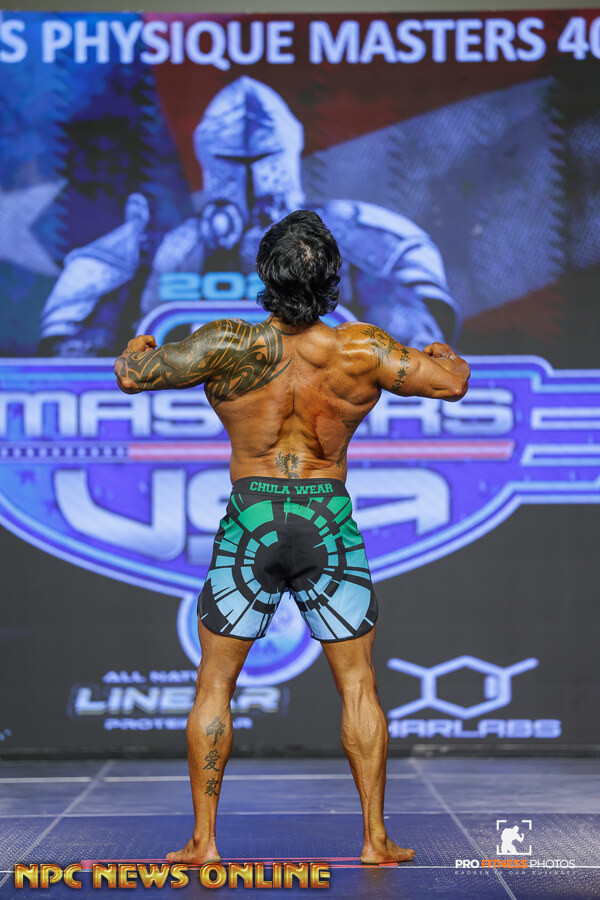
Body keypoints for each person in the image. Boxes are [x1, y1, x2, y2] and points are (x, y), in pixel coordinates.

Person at [114, 209, 470, 866]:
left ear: (264, 274)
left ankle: (204, 842)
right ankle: (374, 840)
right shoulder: (361, 349)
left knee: (214, 684)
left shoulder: (226, 343)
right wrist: (443, 353)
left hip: (252, 523)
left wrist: (138, 346)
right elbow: (452, 382)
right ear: (333, 278)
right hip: (324, 522)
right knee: (358, 685)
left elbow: (133, 374)